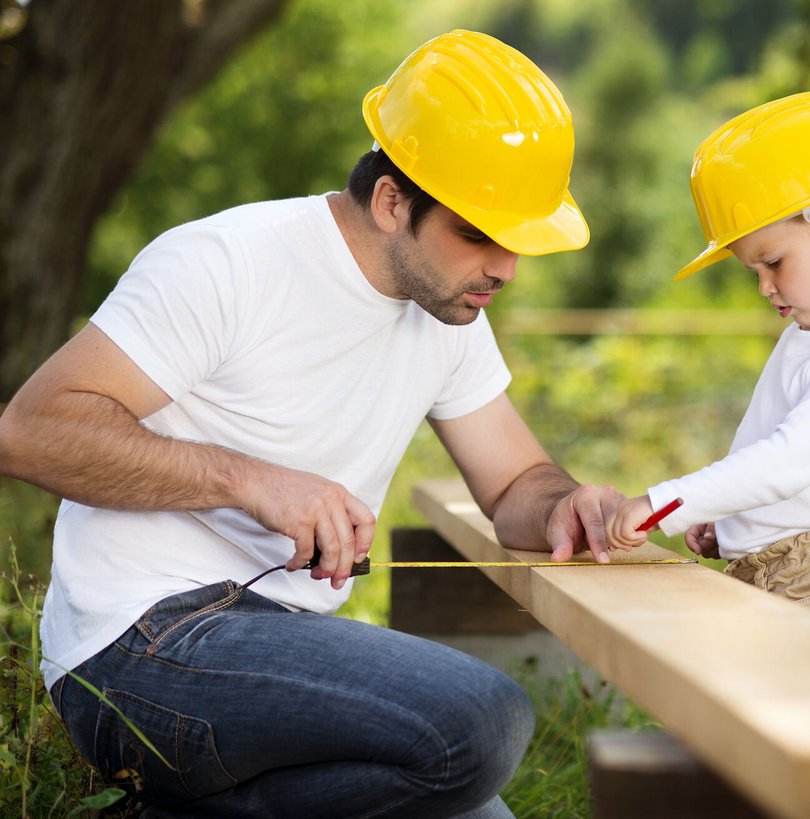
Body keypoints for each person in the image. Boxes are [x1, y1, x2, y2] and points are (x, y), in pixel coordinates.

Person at [0, 30, 623, 818]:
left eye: (520, 243)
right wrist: (249, 480)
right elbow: (29, 431)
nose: (504, 268)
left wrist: (566, 504)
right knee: (483, 718)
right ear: (393, 199)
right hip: (138, 646)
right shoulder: (227, 260)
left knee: (479, 805)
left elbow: (516, 483)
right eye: (477, 234)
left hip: (277, 646)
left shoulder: (451, 311)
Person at [606, 92, 810, 634]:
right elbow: (772, 470)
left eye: (772, 262)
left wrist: (664, 506)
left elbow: (784, 463)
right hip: (773, 578)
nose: (764, 286)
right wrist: (730, 524)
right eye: (754, 270)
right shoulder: (808, 338)